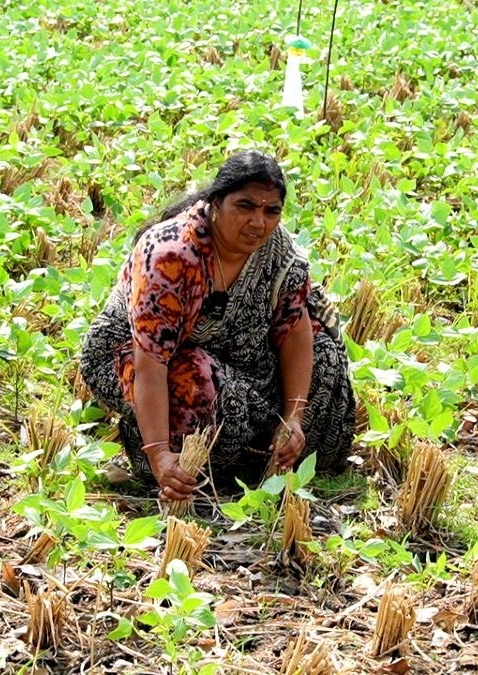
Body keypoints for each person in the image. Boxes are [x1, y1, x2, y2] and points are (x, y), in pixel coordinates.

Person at [79, 150, 354, 499]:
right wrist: (161, 453)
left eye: (271, 211)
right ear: (215, 203)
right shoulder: (171, 256)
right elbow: (150, 362)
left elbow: (294, 329)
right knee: (195, 388)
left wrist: (293, 417)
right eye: (245, 206)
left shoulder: (278, 250)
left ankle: (256, 448)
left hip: (236, 357)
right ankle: (148, 446)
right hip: (137, 358)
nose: (259, 223)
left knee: (326, 355)